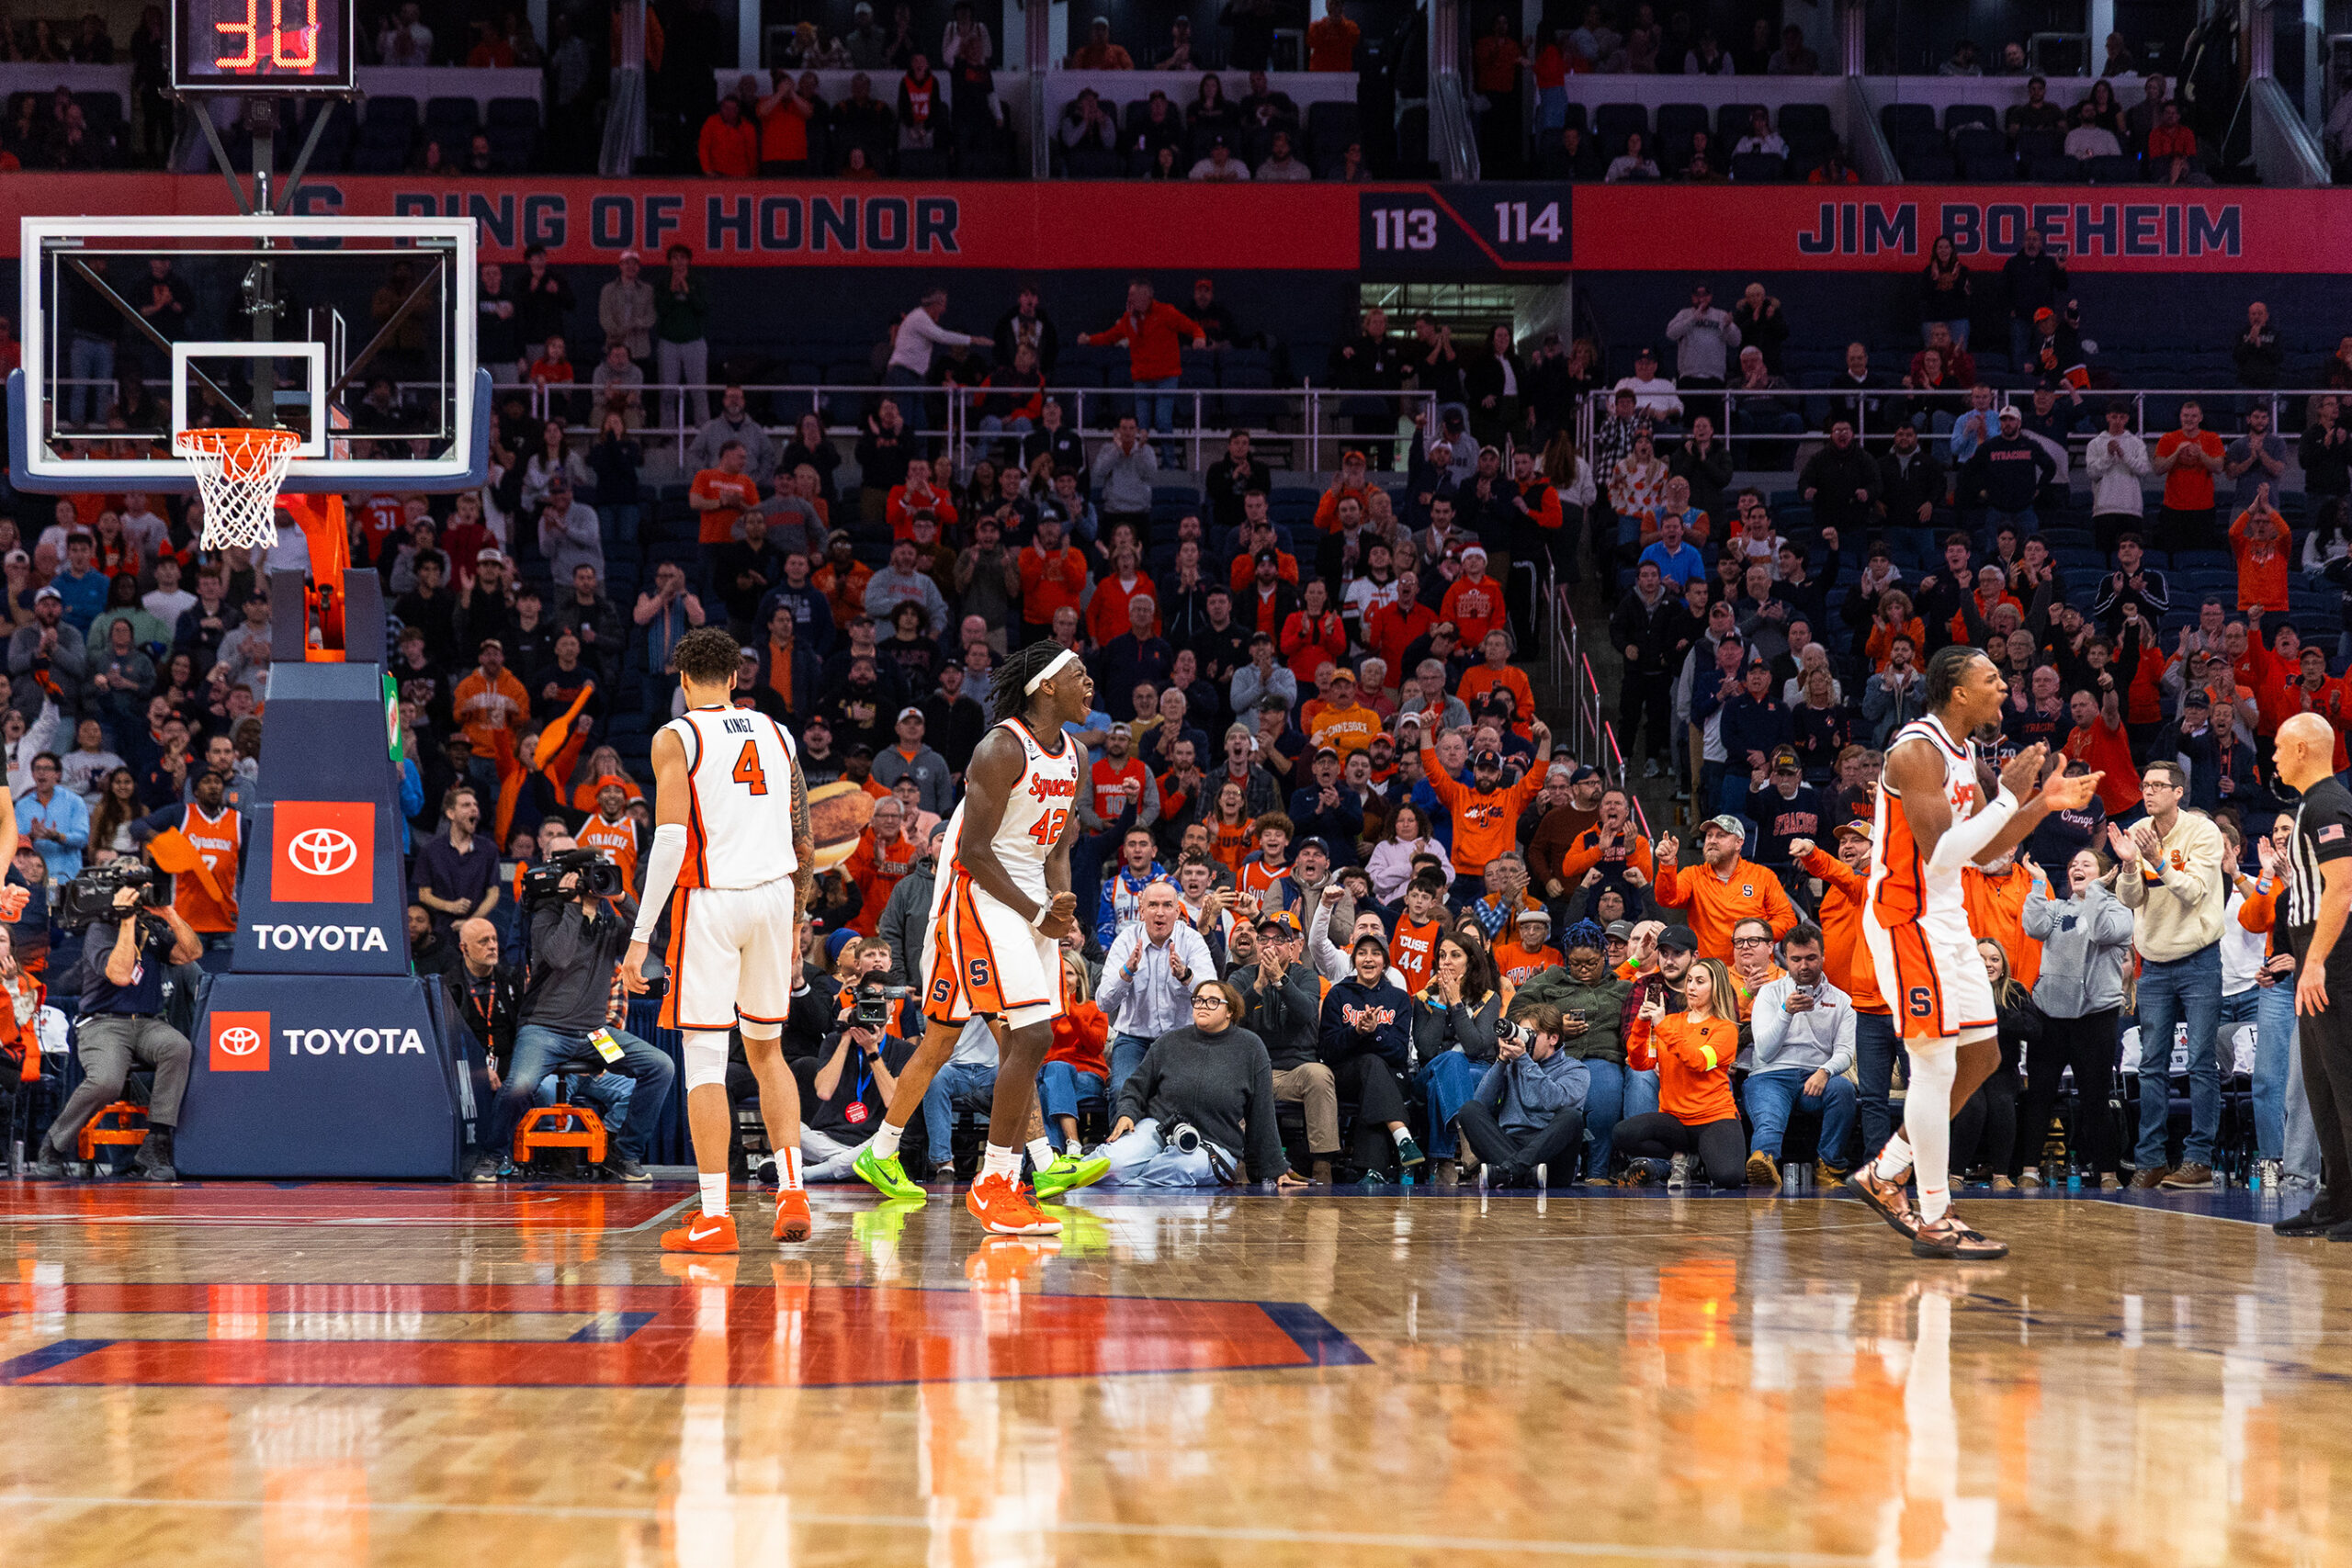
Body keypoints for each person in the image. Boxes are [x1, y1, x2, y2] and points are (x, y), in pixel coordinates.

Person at [1848, 645, 2103, 1260]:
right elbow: (1940, 850)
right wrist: (2012, 798)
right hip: (1904, 917)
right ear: (1958, 691)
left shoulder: (1968, 755)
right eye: (1992, 679)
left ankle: (1886, 1171)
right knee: (1934, 1065)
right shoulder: (1915, 750)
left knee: (1984, 1055)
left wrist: (2041, 803)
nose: (2003, 688)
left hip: (1949, 918)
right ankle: (1934, 1213)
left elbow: (1987, 844)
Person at [847, 641, 1107, 1231]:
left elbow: (1058, 843)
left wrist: (1059, 904)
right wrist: (1038, 913)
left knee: (963, 1039)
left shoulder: (1076, 755)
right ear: (1045, 686)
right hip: (976, 898)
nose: (1089, 682)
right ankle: (1000, 1180)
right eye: (1078, 674)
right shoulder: (1000, 747)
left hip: (1027, 899)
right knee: (1028, 1033)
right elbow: (972, 852)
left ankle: (890, 1153)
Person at [621, 628, 815, 1255]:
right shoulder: (778, 733)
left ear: (682, 681)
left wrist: (639, 936)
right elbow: (801, 834)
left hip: (712, 898)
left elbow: (672, 841)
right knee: (768, 1052)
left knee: (705, 1062)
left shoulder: (675, 736)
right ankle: (792, 1190)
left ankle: (714, 1216)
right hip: (774, 895)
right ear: (737, 678)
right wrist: (794, 918)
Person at [476, 834, 676, 1183]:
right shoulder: (545, 915)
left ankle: (624, 1154)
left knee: (660, 1066)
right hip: (544, 1029)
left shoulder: (609, 922)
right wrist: (573, 906)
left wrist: (622, 898)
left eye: (599, 874)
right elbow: (559, 957)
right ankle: (493, 1155)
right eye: (589, 874)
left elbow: (654, 936)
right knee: (520, 1084)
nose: (595, 882)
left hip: (594, 1033)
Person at [2106, 759, 2229, 1189]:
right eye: (2145, 785)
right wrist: (2127, 866)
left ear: (2179, 792)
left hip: (2198, 958)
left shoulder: (2202, 832)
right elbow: (2129, 899)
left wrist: (2158, 859)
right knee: (2151, 1065)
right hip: (2154, 962)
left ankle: (2198, 1159)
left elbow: (2195, 892)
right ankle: (2151, 1160)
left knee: (2199, 1062)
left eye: (2159, 785)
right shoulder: (2137, 831)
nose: (2149, 791)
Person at [30, 881, 201, 1180]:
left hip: (148, 1022)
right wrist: (126, 921)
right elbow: (121, 975)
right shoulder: (100, 929)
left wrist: (169, 914)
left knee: (178, 1047)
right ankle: (54, 1144)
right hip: (103, 1022)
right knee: (106, 1081)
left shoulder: (151, 930)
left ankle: (156, 1141)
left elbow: (191, 953)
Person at [2266, 712, 2352, 1239]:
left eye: (2278, 747)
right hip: (2313, 953)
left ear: (2302, 749)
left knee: (2344, 1081)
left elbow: (2342, 890)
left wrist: (2316, 961)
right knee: (2321, 1087)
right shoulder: (2309, 806)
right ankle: (2336, 1197)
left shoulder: (2328, 802)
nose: (2272, 756)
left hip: (2335, 959)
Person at [1102, 978, 1302, 1188]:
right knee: (1115, 1163)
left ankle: (1128, 1190)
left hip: (1215, 1143)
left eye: (1213, 1001)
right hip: (1159, 1128)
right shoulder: (1169, 1042)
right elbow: (1135, 1087)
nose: (1203, 1006)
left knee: (1179, 1169)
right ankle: (1084, 1171)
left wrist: (1276, 1169)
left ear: (1230, 1011)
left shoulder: (1251, 1048)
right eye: (1198, 1000)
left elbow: (1263, 1114)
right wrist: (1126, 1113)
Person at [2018, 847, 2132, 1189]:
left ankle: (2108, 1171)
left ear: (2105, 874)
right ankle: (2028, 1170)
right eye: (2073, 864)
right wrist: (2039, 885)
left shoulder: (2121, 911)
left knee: (2095, 1097)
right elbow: (2033, 927)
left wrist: (2097, 893)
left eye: (2086, 864)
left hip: (2095, 1016)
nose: (2076, 868)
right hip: (2050, 1013)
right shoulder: (2056, 909)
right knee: (2038, 1095)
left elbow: (2100, 932)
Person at [1615, 952, 1745, 1189]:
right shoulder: (1672, 1022)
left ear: (1717, 988)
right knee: (1623, 1134)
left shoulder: (1725, 1029)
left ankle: (1701, 1157)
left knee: (1729, 1178)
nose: (1691, 987)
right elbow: (1640, 1062)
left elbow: (1698, 1062)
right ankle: (1680, 1157)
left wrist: (1661, 1025)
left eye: (1700, 981)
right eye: (1690, 981)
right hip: (1674, 1121)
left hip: (1713, 1117)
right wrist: (1642, 1025)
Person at [1744, 924, 1857, 1184]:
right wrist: (1786, 1012)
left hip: (1814, 1077)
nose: (1803, 966)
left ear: (1823, 958)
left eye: (1811, 958)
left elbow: (1844, 1053)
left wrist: (1824, 1071)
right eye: (1796, 959)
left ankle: (1829, 1166)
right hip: (1770, 1074)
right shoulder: (1769, 994)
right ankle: (1765, 1164)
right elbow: (1765, 1051)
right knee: (1770, 1118)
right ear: (1786, 959)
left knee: (1843, 1089)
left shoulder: (1842, 1001)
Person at [1452, 1003, 1587, 1190]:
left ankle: (1509, 1172)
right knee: (1469, 1110)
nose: (1524, 1041)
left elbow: (1554, 1100)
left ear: (1553, 1038)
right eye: (1521, 1033)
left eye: (1531, 1035)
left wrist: (1524, 1060)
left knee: (1572, 1118)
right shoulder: (1511, 1064)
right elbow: (1481, 1102)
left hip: (1550, 1153)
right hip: (1510, 1145)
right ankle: (1523, 1175)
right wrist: (1501, 1061)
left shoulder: (1575, 1069)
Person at [1319, 933, 1424, 1174]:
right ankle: (1402, 1136)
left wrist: (1376, 1032)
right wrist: (1356, 1031)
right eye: (1362, 953)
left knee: (1374, 1070)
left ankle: (1372, 1172)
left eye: (1375, 953)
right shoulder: (1337, 994)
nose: (1369, 959)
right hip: (1346, 1076)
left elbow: (1400, 1053)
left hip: (1388, 1074)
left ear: (1385, 961)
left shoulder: (1398, 998)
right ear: (1354, 959)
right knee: (1371, 1064)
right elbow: (1327, 1050)